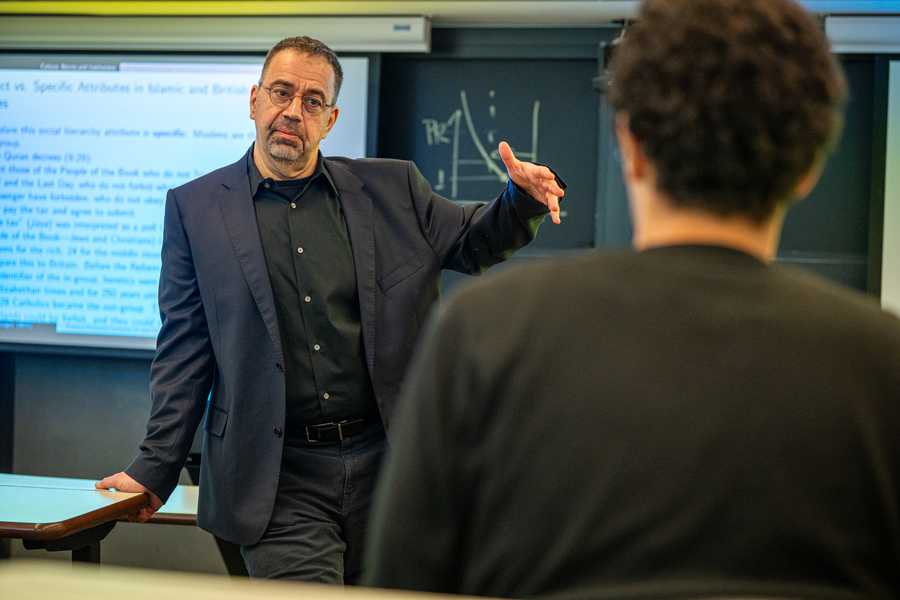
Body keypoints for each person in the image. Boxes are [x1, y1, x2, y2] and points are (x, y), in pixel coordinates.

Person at [362, 1, 900, 598]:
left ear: (631, 144)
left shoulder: (484, 333)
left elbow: (404, 582)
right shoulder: (883, 363)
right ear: (808, 166)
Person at [96, 35, 565, 583]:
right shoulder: (195, 210)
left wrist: (522, 199)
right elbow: (185, 348)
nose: (293, 111)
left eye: (312, 101)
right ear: (254, 101)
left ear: (331, 118)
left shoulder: (392, 189)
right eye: (281, 92)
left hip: (388, 462)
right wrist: (154, 466)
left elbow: (472, 237)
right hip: (276, 476)